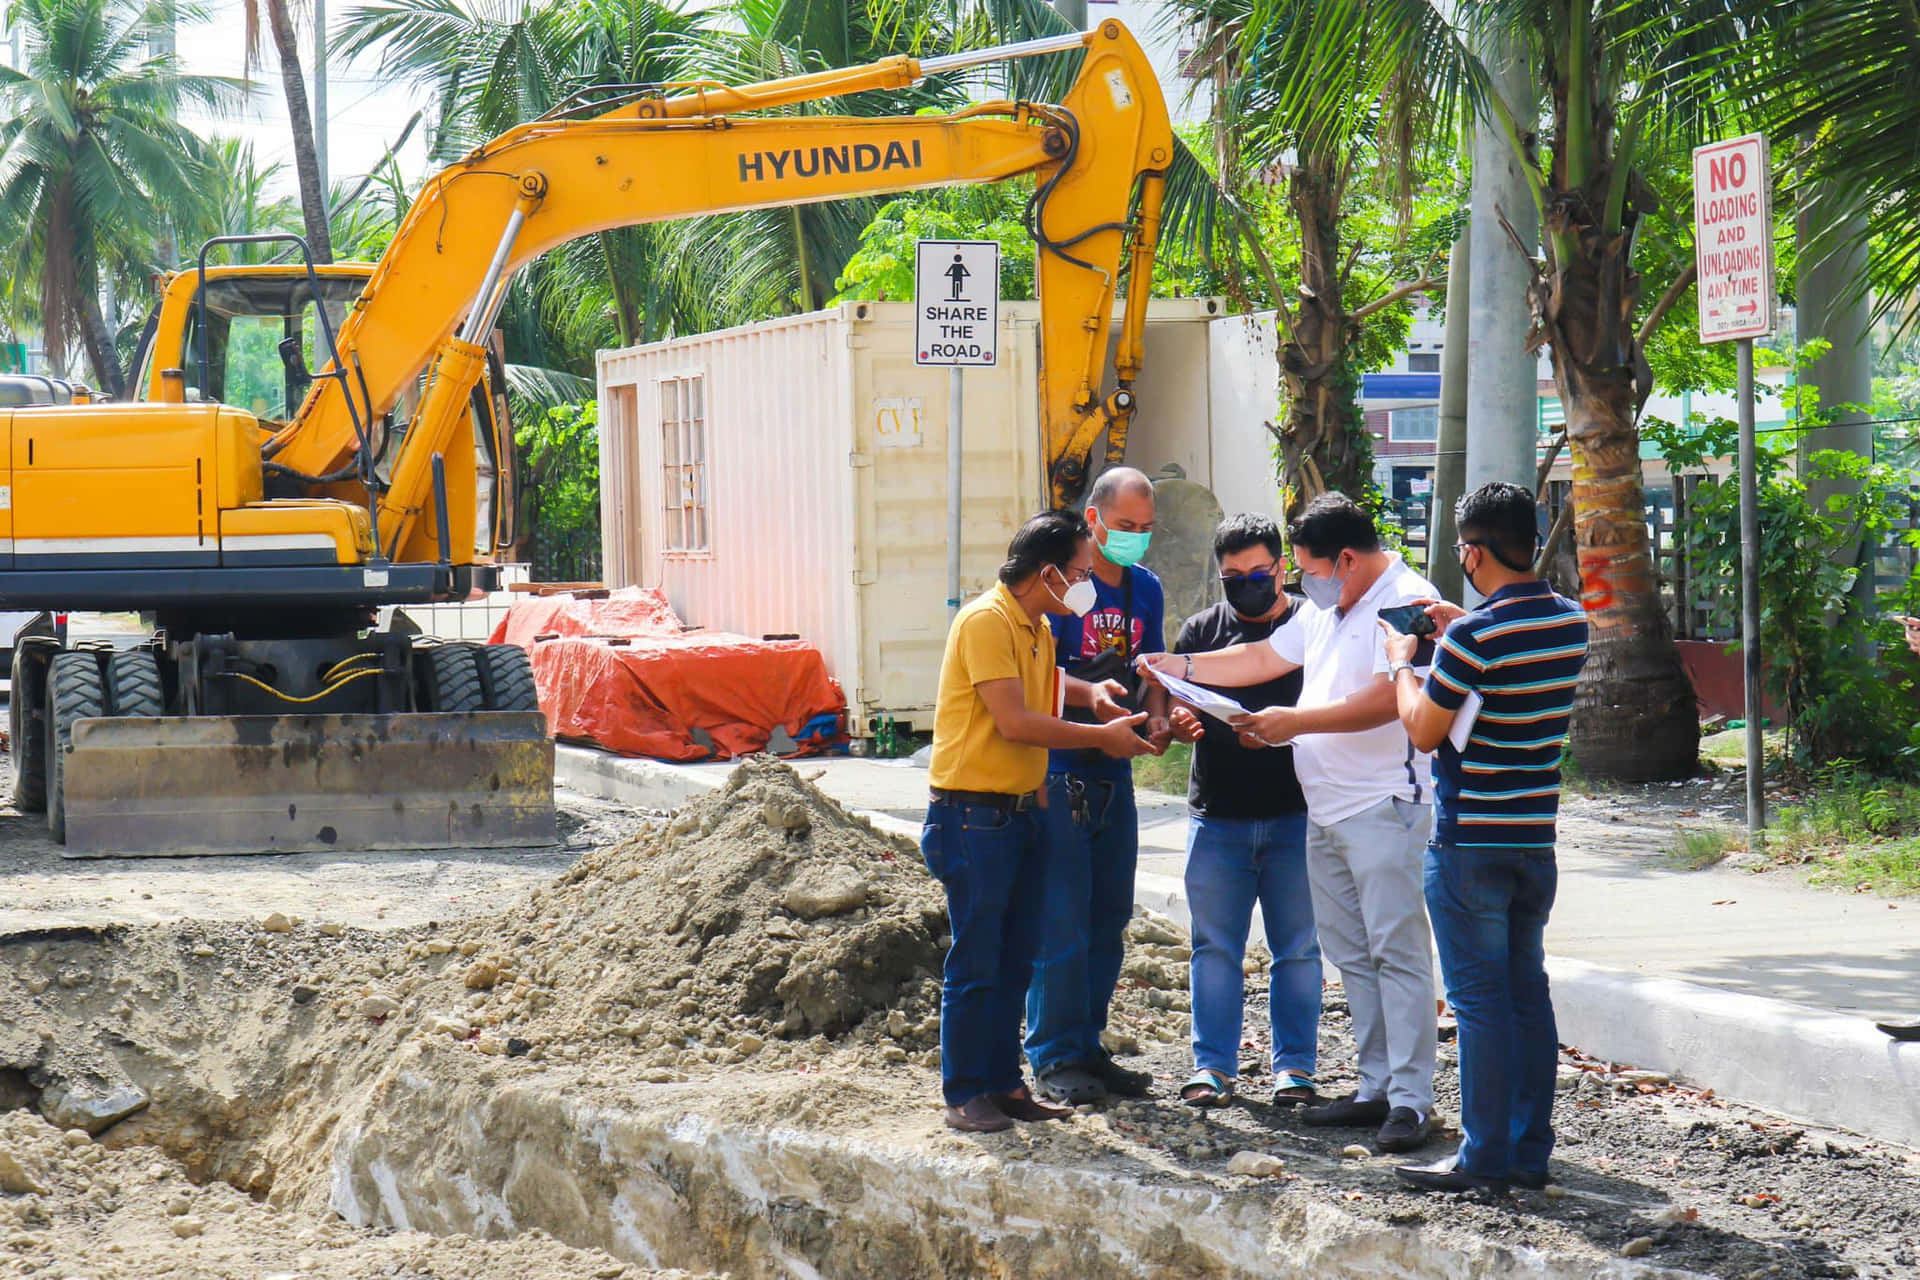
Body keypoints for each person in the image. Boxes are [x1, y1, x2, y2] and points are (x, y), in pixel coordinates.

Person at [1139, 493, 1441, 1154]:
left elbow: (1392, 698)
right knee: (1354, 958)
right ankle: (1374, 1089)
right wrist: (1177, 667)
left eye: (1307, 571)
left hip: (1384, 805)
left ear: (1349, 559)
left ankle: (1414, 1101)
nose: (1303, 585)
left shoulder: (1406, 599)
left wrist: (1296, 723)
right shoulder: (1330, 608)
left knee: (1397, 952)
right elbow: (1262, 660)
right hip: (1325, 811)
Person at [1378, 481, 1588, 1194]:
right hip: (1535, 840)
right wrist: (1458, 625)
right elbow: (1505, 651)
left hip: (1468, 846)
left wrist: (1401, 663)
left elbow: (1425, 728)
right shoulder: (1570, 621)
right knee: (1528, 996)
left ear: (1472, 552)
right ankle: (1530, 1151)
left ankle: (1482, 1156)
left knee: (1479, 1007)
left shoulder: (1471, 637)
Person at [923, 510, 1157, 1134]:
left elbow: (1044, 685)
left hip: (1019, 814)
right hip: (972, 818)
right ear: (1047, 572)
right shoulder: (986, 621)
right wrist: (1101, 737)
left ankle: (1005, 1084)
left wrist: (1091, 694)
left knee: (1017, 957)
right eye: (1079, 572)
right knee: (976, 963)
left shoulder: (1036, 627)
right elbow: (1016, 721)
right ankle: (964, 1092)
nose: (1085, 584)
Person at [1027, 467, 1174, 1105]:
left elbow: (1154, 669)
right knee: (1061, 920)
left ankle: (1088, 1046)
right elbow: (1036, 678)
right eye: (1124, 528)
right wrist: (1095, 712)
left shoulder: (1147, 590)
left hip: (1117, 770)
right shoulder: (1068, 593)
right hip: (1061, 768)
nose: (1135, 539)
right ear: (1094, 519)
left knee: (1108, 917)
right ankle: (1055, 1057)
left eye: (1145, 529)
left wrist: (1163, 714)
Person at [1166, 514, 1322, 1111]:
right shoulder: (1200, 633)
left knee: (1299, 949)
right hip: (1218, 817)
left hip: (1296, 814)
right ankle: (1211, 1068)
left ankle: (1296, 1071)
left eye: (1259, 573)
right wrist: (1182, 726)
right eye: (1233, 576)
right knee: (1214, 947)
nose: (1247, 584)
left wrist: (1283, 734)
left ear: (1281, 566)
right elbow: (1180, 712)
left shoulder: (1312, 627)